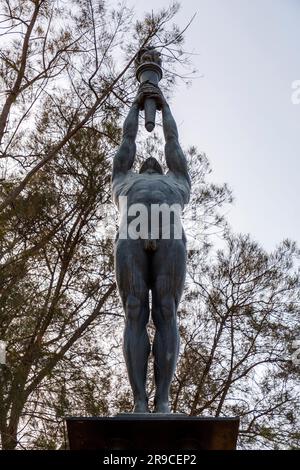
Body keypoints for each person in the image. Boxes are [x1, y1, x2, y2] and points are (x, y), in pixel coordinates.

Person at [112, 84, 191, 413]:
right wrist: (135, 104)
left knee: (166, 311)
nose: (150, 160)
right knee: (133, 309)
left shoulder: (178, 181)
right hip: (131, 230)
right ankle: (140, 401)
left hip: (169, 228)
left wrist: (164, 107)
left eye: (155, 162)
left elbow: (172, 142)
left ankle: (162, 399)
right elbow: (126, 143)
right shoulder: (122, 180)